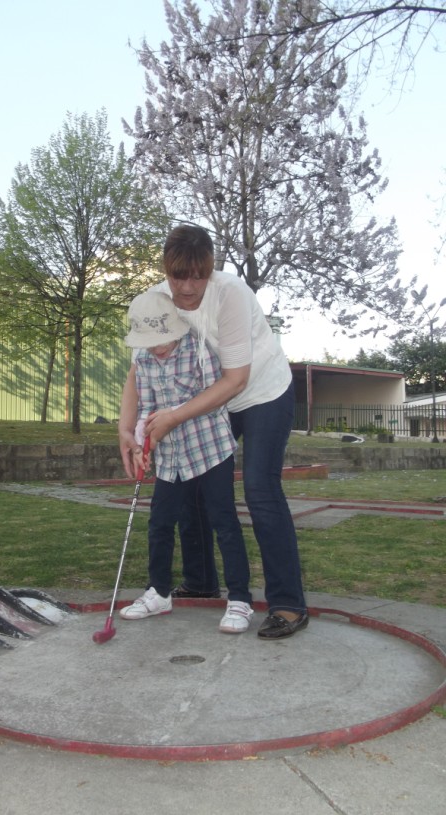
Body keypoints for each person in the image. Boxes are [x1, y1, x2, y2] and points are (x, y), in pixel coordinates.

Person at [119, 225, 308, 640]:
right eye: (177, 276)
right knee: (190, 480)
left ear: (210, 269)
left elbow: (236, 379)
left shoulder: (232, 294)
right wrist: (124, 430)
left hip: (260, 392)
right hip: (207, 399)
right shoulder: (156, 300)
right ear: (166, 271)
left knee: (259, 488)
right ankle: (202, 580)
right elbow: (138, 370)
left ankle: (288, 603)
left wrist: (173, 417)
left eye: (197, 276)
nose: (187, 287)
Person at [119, 290, 254, 634]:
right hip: (170, 456)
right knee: (160, 523)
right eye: (150, 342)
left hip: (210, 448)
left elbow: (215, 398)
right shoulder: (144, 362)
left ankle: (239, 599)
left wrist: (174, 418)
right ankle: (159, 592)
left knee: (224, 523)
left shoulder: (198, 349)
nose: (158, 347)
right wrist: (139, 442)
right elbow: (145, 408)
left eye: (162, 339)